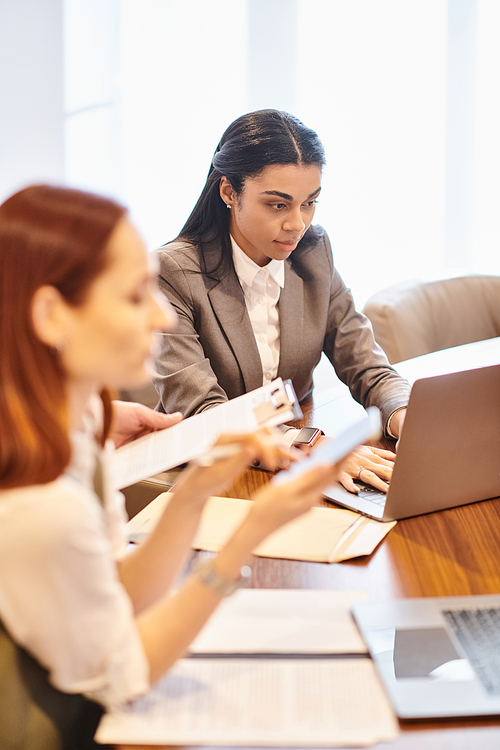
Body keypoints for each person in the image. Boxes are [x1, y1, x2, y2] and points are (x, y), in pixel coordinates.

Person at [0, 185, 346, 748]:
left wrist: (195, 492)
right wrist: (247, 536)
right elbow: (127, 674)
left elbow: (121, 593)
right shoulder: (41, 504)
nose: (162, 316)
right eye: (136, 296)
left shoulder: (80, 421)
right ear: (51, 314)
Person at [153, 109, 411, 494]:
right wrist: (311, 445)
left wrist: (408, 417)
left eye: (310, 202)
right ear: (228, 192)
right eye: (278, 204)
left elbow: (366, 365)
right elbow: (204, 415)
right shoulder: (173, 272)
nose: (297, 223)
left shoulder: (313, 252)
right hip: (212, 475)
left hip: (293, 465)